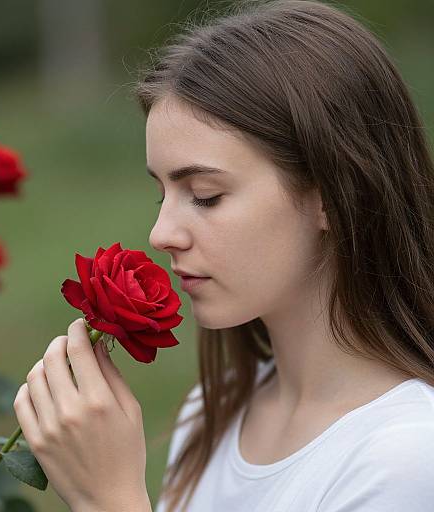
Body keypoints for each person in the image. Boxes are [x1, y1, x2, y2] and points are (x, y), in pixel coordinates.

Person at [130, 0, 434, 510]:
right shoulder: (212, 412)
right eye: (162, 194)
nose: (161, 234)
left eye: (205, 194)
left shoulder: (406, 456)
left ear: (332, 197)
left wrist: (108, 499)